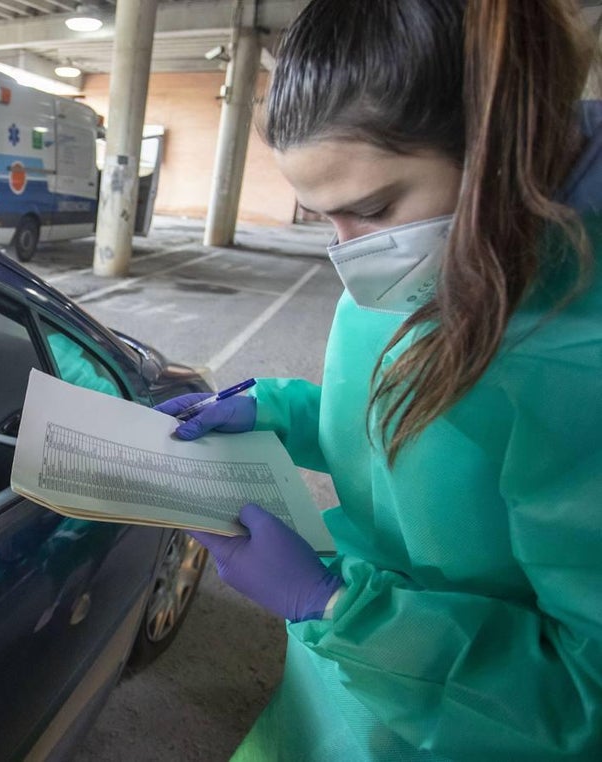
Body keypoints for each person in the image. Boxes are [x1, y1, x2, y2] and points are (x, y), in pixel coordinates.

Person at [155, 0, 602, 758]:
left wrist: (335, 607)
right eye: (322, 217)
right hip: (338, 699)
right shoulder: (436, 246)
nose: (348, 253)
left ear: (500, 147)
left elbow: (583, 700)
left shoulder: (578, 366)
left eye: (369, 209)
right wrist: (283, 412)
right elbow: (411, 427)